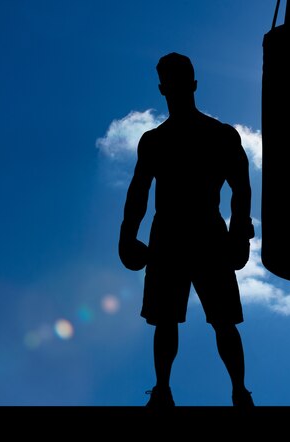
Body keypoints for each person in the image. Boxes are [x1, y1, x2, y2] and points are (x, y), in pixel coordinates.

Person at [118, 52, 255, 407]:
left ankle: (237, 391)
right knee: (170, 321)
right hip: (177, 234)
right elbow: (139, 191)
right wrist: (126, 235)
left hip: (198, 232)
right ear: (165, 88)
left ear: (184, 86)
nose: (175, 89)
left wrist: (240, 234)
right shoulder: (158, 140)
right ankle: (167, 390)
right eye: (172, 83)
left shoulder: (217, 135)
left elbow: (242, 188)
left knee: (218, 321)